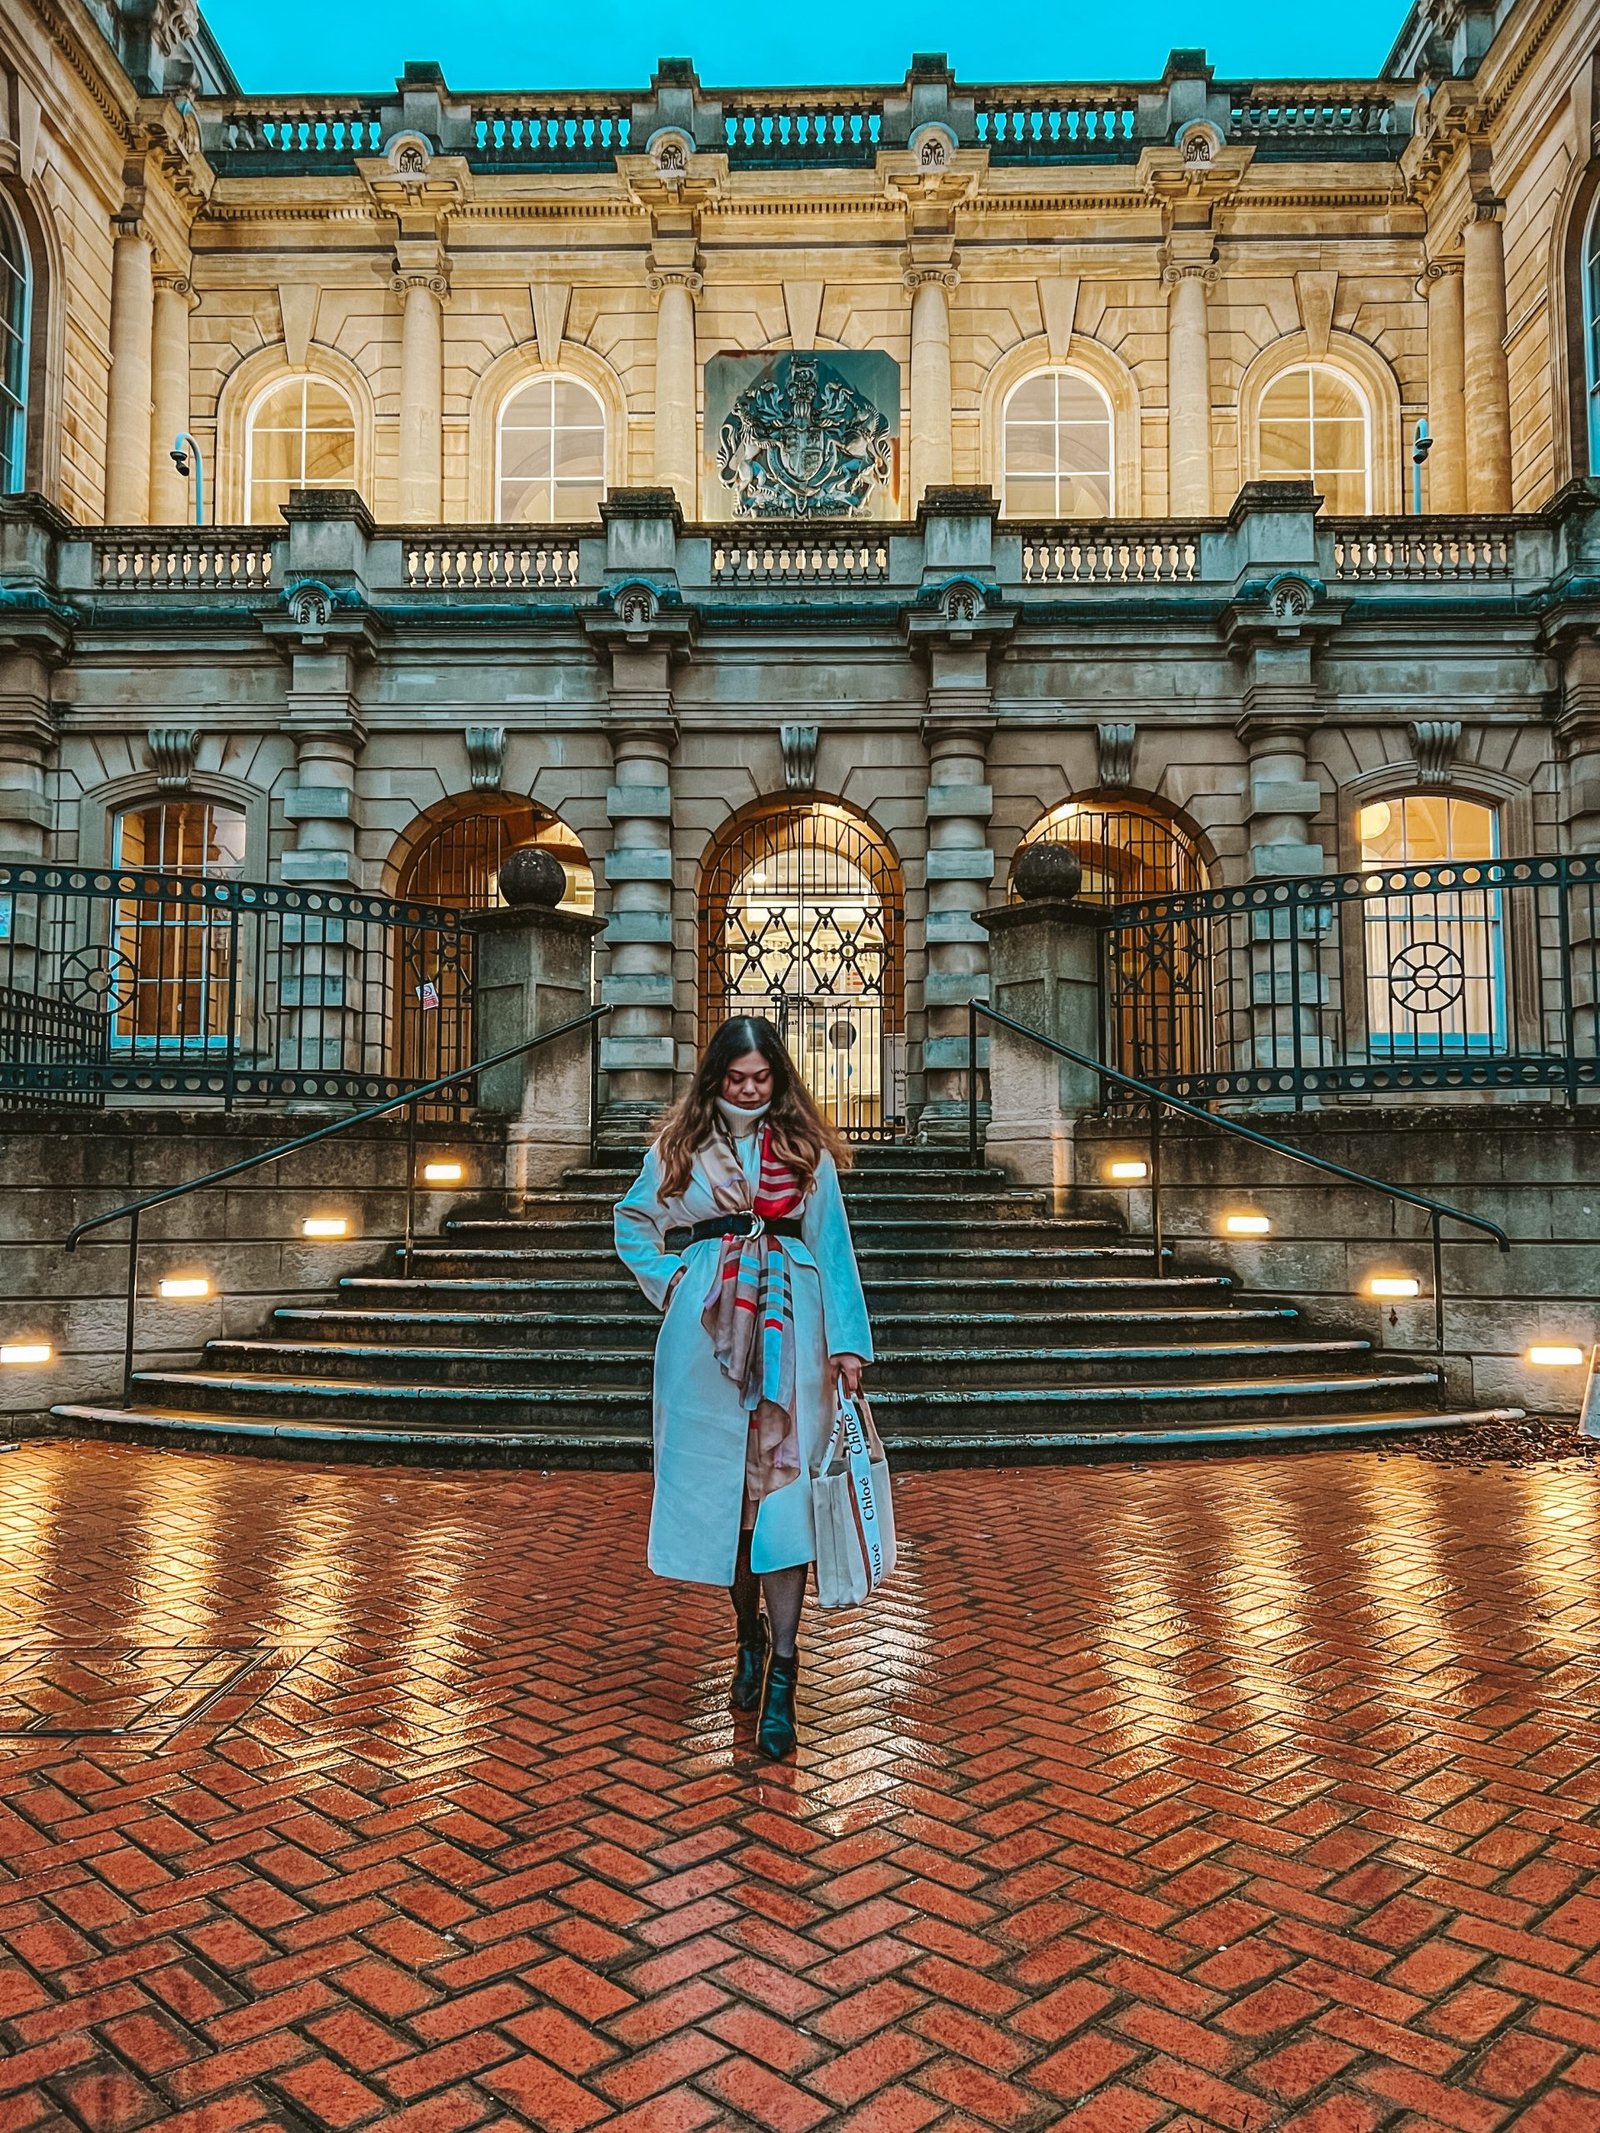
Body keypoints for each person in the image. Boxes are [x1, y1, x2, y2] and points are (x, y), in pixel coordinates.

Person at [613, 1015, 873, 1760]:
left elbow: (833, 1247)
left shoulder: (806, 1152)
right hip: (705, 1339)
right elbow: (634, 1222)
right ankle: (747, 1634)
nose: (752, 1090)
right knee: (729, 1502)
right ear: (716, 1079)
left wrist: (850, 1347)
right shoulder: (680, 1146)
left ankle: (784, 1672)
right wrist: (675, 1281)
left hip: (794, 1333)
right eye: (738, 1079)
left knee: (783, 1500)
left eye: (763, 1078)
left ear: (779, 1078)